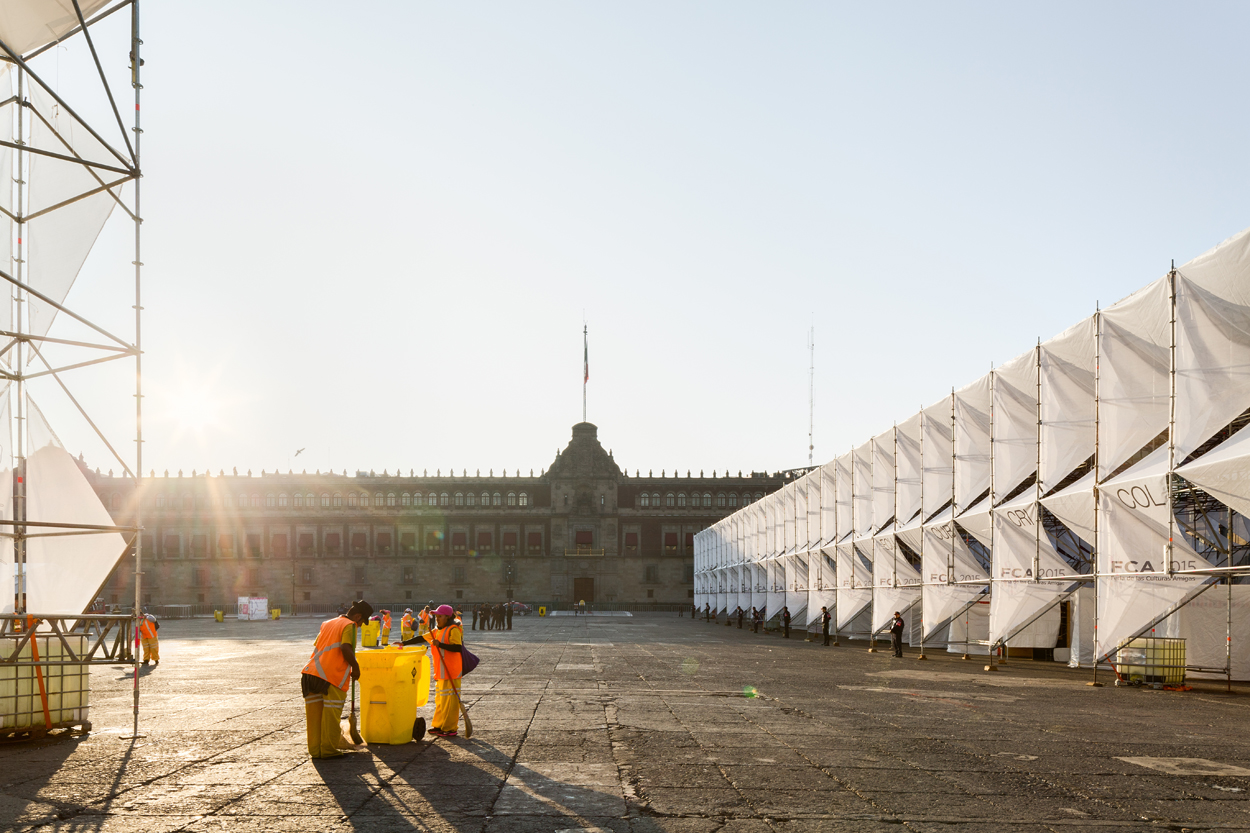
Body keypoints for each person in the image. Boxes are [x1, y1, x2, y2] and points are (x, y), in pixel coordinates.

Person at [302, 599, 371, 759]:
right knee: (331, 715)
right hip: (330, 677)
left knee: (314, 718)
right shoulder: (350, 625)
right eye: (362, 622)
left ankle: (315, 751)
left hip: (310, 673)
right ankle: (328, 750)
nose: (360, 626)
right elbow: (345, 647)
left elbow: (320, 645)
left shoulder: (328, 623)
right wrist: (356, 666)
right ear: (358, 617)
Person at [421, 604, 464, 737]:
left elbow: (457, 648)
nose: (437, 618)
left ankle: (450, 728)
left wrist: (441, 645)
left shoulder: (453, 629)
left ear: (447, 617)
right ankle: (439, 725)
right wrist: (403, 643)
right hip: (441, 672)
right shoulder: (437, 630)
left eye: (440, 616)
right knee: (440, 701)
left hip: (451, 671)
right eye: (436, 616)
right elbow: (422, 638)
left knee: (450, 702)